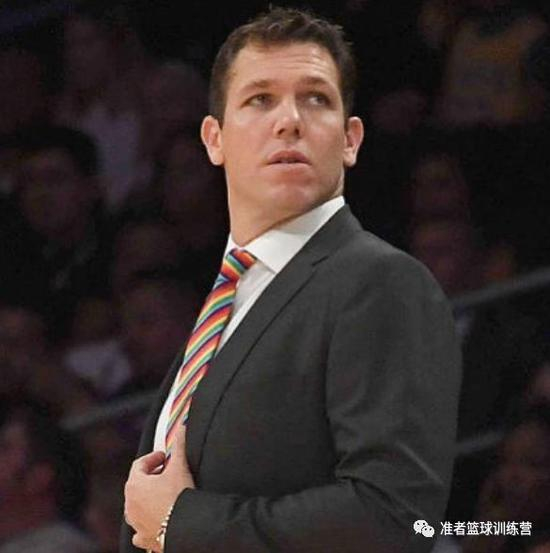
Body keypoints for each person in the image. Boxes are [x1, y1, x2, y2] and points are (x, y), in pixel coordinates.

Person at [122, 7, 461, 553]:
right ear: (214, 139)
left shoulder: (380, 282)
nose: (290, 121)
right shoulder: (231, 296)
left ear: (350, 139)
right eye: (260, 99)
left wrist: (182, 526)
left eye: (316, 99)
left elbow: (394, 517)